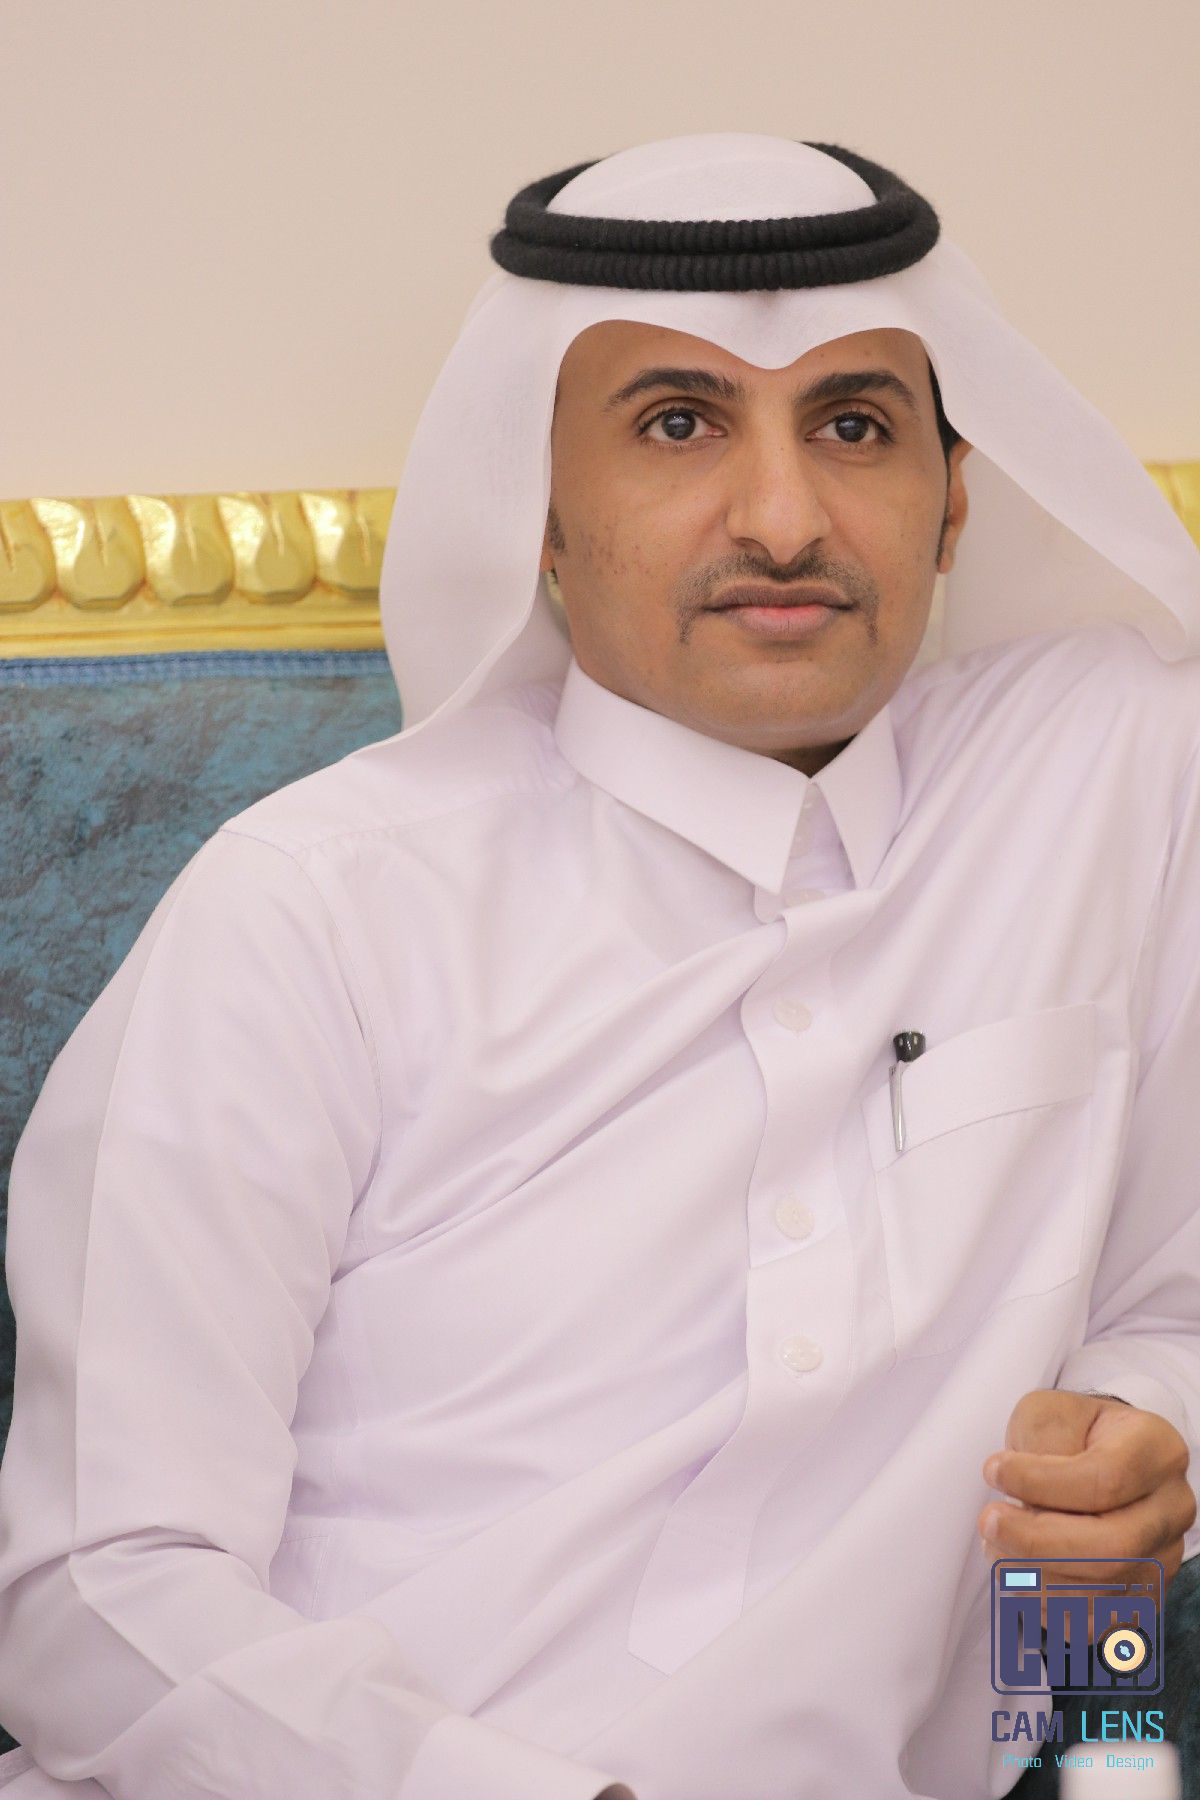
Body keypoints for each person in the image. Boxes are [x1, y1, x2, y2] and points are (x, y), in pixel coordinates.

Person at [0, 132, 1197, 1800]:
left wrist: (1137, 1455)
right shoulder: (310, 912)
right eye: (678, 424)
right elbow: (95, 1600)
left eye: (855, 425)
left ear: (956, 505)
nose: (784, 518)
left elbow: (1159, 1322)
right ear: (544, 522)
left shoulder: (1108, 783)